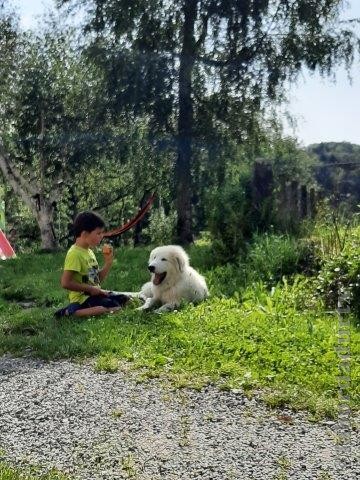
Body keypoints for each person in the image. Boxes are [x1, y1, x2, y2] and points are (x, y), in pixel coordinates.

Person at [55, 211, 129, 318]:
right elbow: (65, 283)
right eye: (98, 233)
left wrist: (108, 263)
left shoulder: (89, 251)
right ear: (85, 234)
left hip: (95, 295)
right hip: (82, 299)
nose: (101, 236)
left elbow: (96, 280)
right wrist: (90, 289)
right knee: (110, 307)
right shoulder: (74, 254)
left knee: (124, 299)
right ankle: (69, 312)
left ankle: (94, 310)